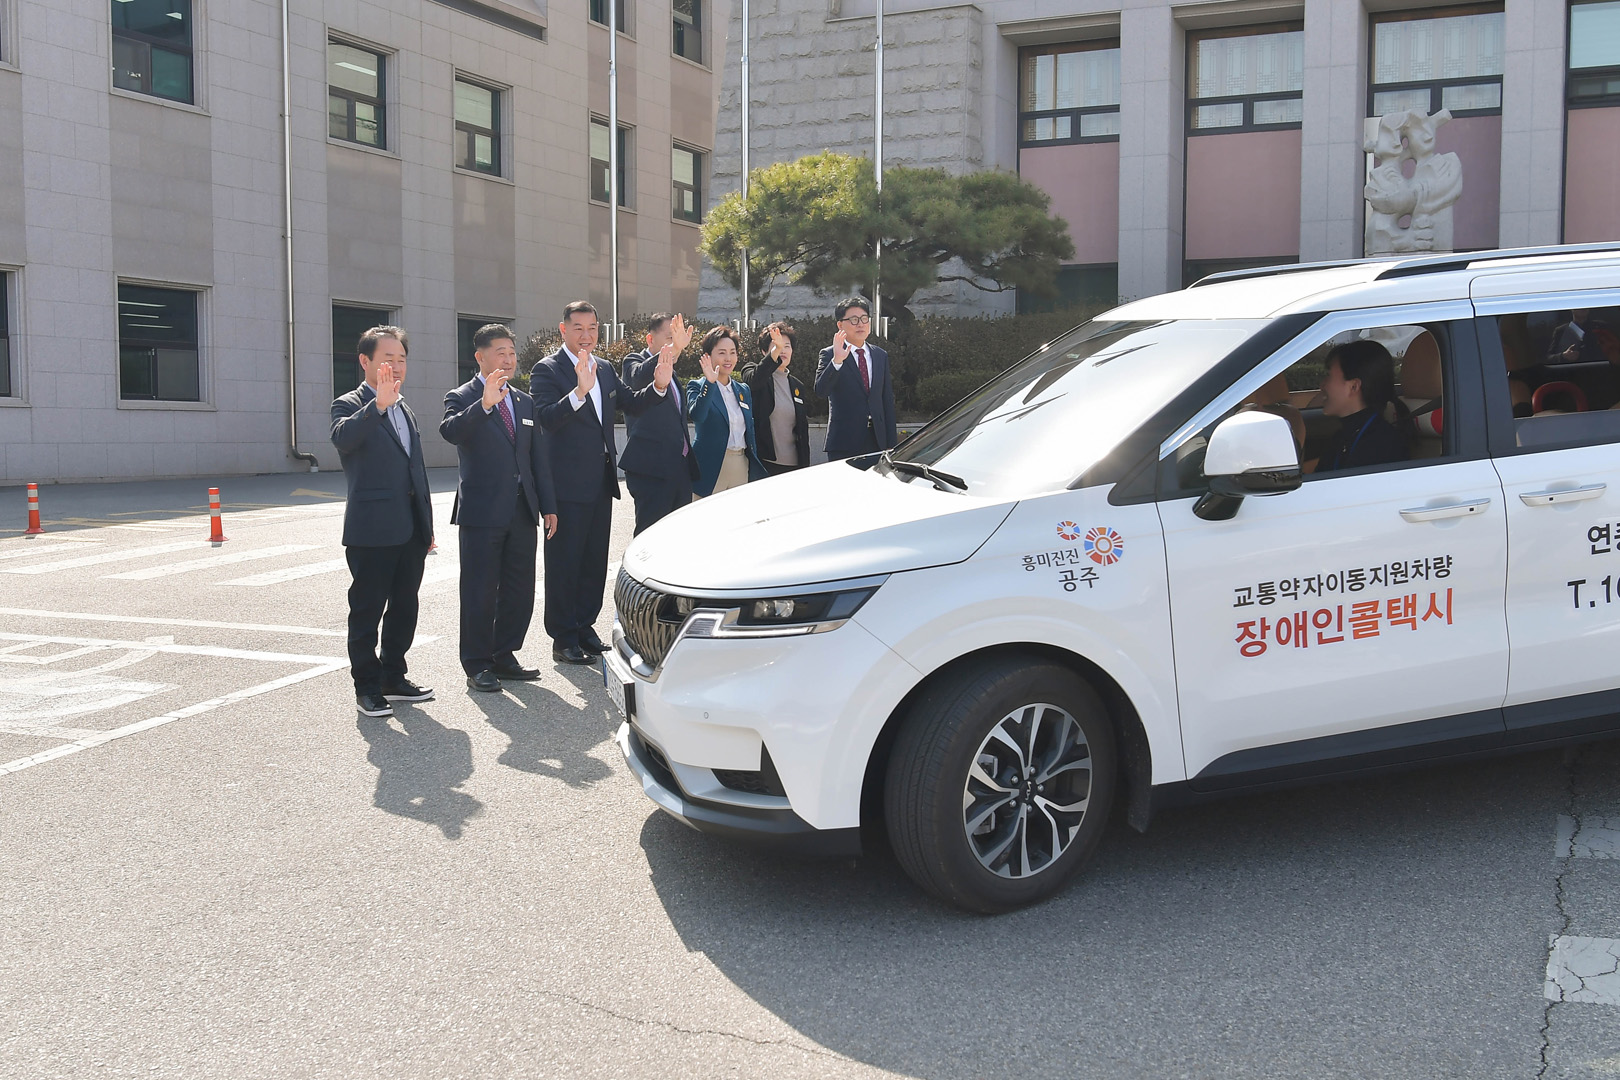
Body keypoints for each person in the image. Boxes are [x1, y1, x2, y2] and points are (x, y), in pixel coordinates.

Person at [531, 301, 670, 666]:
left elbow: (631, 403)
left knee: (593, 562)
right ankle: (563, 637)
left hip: (599, 481)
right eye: (578, 328)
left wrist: (659, 385)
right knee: (565, 563)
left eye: (592, 328)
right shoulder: (547, 369)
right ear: (563, 330)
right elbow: (545, 418)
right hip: (565, 485)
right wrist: (578, 393)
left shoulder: (605, 368)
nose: (586, 335)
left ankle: (584, 627)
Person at [440, 324, 559, 693]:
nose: (508, 359)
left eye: (511, 352)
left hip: (522, 509)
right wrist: (485, 404)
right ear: (480, 357)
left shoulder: (524, 401)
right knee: (479, 590)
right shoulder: (462, 396)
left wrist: (548, 505)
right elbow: (451, 431)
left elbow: (537, 458)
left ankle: (504, 654)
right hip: (482, 511)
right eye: (500, 353)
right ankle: (477, 663)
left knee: (519, 588)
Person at [330, 325, 435, 718]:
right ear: (365, 361)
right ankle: (367, 687)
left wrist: (426, 526)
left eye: (401, 359)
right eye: (388, 359)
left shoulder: (405, 409)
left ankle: (394, 675)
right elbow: (343, 439)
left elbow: (416, 471)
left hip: (410, 529)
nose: (397, 366)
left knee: (405, 607)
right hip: (372, 529)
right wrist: (376, 406)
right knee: (367, 611)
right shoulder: (349, 404)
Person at [620, 313, 699, 534]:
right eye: (669, 338)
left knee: (678, 537)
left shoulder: (672, 374)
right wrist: (675, 347)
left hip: (679, 469)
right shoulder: (633, 362)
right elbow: (638, 377)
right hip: (651, 471)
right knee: (650, 536)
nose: (675, 344)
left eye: (677, 338)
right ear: (650, 339)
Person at [688, 325, 767, 496]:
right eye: (722, 353)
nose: (728, 358)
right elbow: (697, 416)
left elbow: (749, 429)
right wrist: (710, 383)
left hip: (740, 464)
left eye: (732, 352)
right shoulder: (697, 386)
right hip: (710, 467)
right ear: (707, 356)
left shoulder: (743, 390)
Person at [815, 297, 897, 460]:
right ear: (840, 325)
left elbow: (886, 400)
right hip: (844, 442)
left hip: (877, 441)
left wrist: (891, 443)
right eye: (853, 320)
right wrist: (837, 361)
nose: (860, 324)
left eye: (864, 318)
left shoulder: (880, 355)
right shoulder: (830, 354)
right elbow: (821, 391)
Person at [1313, 339, 1409, 473]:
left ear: (1354, 386)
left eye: (1328, 376)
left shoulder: (1381, 445)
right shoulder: (1343, 437)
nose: (1322, 385)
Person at [746, 322, 811, 475]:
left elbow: (802, 430)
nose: (783, 350)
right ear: (764, 351)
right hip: (766, 464)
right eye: (776, 345)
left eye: (787, 346)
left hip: (795, 466)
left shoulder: (797, 386)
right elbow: (754, 381)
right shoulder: (752, 371)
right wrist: (776, 351)